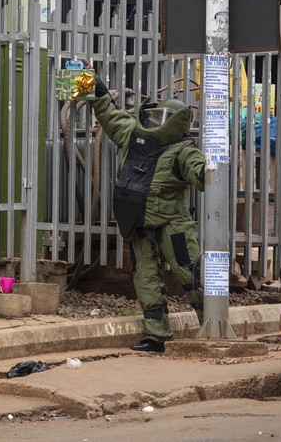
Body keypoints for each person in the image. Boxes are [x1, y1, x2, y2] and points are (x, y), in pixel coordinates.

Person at [87, 69, 206, 353]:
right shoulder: (133, 135)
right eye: (152, 117)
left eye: (160, 119)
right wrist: (96, 88)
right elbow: (111, 116)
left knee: (190, 275)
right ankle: (156, 335)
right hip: (138, 221)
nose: (154, 122)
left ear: (175, 123)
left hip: (172, 224)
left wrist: (209, 171)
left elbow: (199, 172)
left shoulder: (183, 149)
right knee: (145, 278)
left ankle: (212, 324)